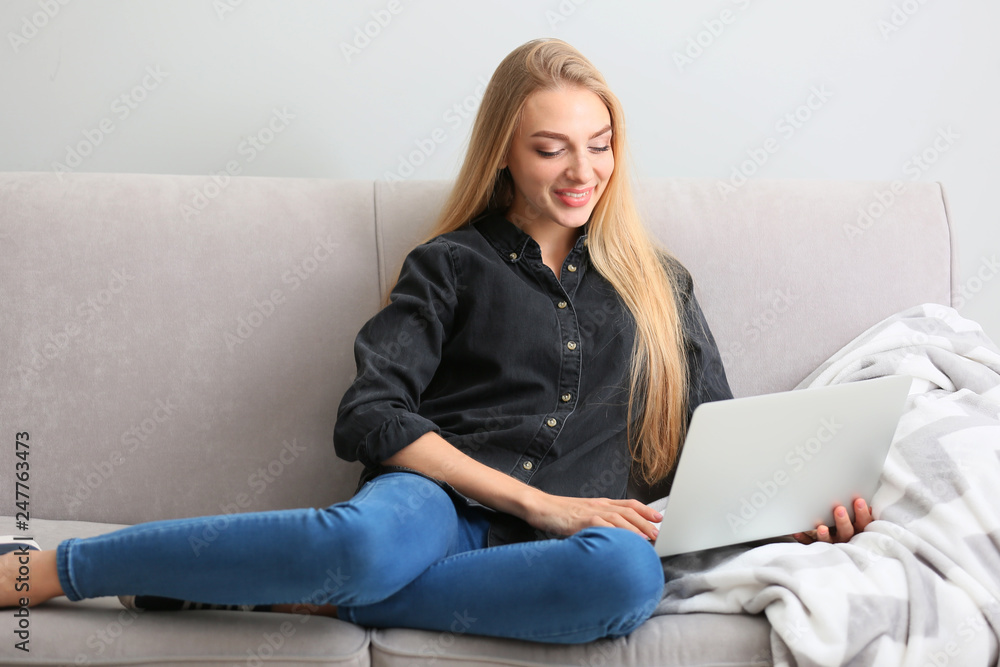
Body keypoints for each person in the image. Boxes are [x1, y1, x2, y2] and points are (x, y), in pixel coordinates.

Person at [0, 38, 872, 643]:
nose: (583, 173)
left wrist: (792, 518)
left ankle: (318, 601)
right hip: (437, 509)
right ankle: (52, 568)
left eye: (599, 146)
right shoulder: (451, 263)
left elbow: (718, 454)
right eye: (551, 149)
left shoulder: (663, 282)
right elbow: (370, 415)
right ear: (504, 153)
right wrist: (535, 502)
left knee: (626, 583)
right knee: (361, 544)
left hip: (582, 547)